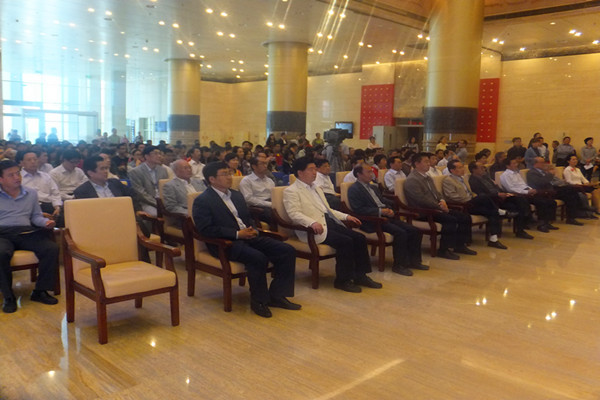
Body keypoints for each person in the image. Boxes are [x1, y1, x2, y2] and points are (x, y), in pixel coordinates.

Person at [193, 162, 299, 318]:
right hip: (226, 243)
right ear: (212, 179)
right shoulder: (203, 200)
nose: (230, 177)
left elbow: (247, 218)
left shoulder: (236, 195)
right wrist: (237, 234)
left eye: (229, 173)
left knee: (287, 250)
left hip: (248, 237)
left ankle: (277, 296)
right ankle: (259, 301)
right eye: (224, 174)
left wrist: (253, 229)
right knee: (258, 257)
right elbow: (206, 229)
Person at [284, 157, 382, 293]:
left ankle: (361, 275)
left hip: (328, 222)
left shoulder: (316, 188)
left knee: (359, 238)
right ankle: (343, 280)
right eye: (311, 169)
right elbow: (294, 214)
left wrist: (346, 216)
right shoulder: (291, 191)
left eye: (315, 169)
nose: (315, 172)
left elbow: (328, 209)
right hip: (312, 229)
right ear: (300, 172)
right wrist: (312, 223)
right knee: (345, 242)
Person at [0, 160, 59, 313]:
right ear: (1, 179)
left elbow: (35, 216)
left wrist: (45, 222)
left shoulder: (30, 193)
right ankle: (8, 296)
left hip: (26, 232)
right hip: (2, 234)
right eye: (11, 175)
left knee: (51, 248)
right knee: (1, 253)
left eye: (17, 173)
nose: (17, 177)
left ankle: (40, 291)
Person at [348, 164, 427, 276]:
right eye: (368, 172)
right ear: (359, 174)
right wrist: (380, 211)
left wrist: (389, 210)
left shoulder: (373, 187)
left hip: (385, 217)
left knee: (414, 230)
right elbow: (359, 209)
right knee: (401, 233)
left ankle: (414, 261)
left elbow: (382, 202)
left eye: (371, 172)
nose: (371, 174)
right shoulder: (354, 189)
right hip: (373, 221)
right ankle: (399, 265)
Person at [404, 152, 476, 260]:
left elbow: (436, 193)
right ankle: (443, 250)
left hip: (435, 208)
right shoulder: (412, 180)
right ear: (417, 164)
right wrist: (439, 206)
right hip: (423, 212)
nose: (429, 164)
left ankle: (460, 245)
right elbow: (421, 200)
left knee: (464, 217)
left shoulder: (427, 177)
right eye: (426, 161)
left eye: (428, 161)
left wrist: (442, 201)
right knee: (450, 219)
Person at [442, 160, 508, 249]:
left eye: (462, 167)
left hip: (472, 204)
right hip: (463, 205)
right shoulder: (448, 180)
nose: (463, 169)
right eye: (460, 167)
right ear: (452, 170)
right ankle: (499, 210)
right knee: (483, 196)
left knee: (492, 212)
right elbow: (451, 196)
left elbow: (471, 192)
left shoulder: (464, 178)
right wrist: (469, 199)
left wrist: (474, 197)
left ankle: (493, 239)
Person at [468, 161, 534, 239]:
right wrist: (497, 195)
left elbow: (496, 187)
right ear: (474, 170)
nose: (484, 169)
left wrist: (504, 193)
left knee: (520, 200)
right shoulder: (473, 181)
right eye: (481, 168)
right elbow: (481, 195)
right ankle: (502, 213)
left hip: (500, 197)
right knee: (514, 207)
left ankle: (521, 229)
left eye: (484, 167)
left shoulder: (486, 177)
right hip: (491, 201)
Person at [500, 158, 558, 233]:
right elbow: (511, 189)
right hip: (519, 195)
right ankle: (541, 224)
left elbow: (523, 185)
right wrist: (527, 192)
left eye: (516, 163)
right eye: (513, 163)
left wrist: (531, 189)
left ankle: (547, 222)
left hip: (526, 192)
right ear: (508, 166)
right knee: (542, 202)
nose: (516, 165)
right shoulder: (505, 175)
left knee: (550, 201)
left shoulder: (517, 173)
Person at [526, 157, 584, 226]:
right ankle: (581, 208)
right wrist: (550, 174)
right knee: (568, 191)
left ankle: (572, 216)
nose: (544, 164)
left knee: (571, 192)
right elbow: (541, 182)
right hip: (542, 191)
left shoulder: (543, 171)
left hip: (551, 189)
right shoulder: (532, 173)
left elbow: (552, 181)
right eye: (542, 162)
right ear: (536, 164)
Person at [18, 150, 62, 224]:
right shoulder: (18, 178)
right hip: (29, 208)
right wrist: (38, 213)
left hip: (49, 205)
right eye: (29, 160)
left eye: (35, 159)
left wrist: (57, 207)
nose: (33, 162)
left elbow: (55, 193)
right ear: (22, 163)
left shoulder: (46, 176)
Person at [128, 146, 170, 216]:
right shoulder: (136, 172)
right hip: (146, 202)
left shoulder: (163, 170)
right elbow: (141, 193)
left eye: (159, 153)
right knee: (157, 214)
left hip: (163, 202)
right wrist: (158, 204)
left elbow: (166, 188)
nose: (159, 156)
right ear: (146, 156)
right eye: (155, 153)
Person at [239, 157, 275, 223]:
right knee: (272, 213)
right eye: (262, 163)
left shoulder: (269, 180)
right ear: (254, 166)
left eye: (266, 163)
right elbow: (248, 199)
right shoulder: (247, 181)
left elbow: (274, 195)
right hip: (258, 208)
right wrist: (268, 204)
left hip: (271, 203)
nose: (265, 166)